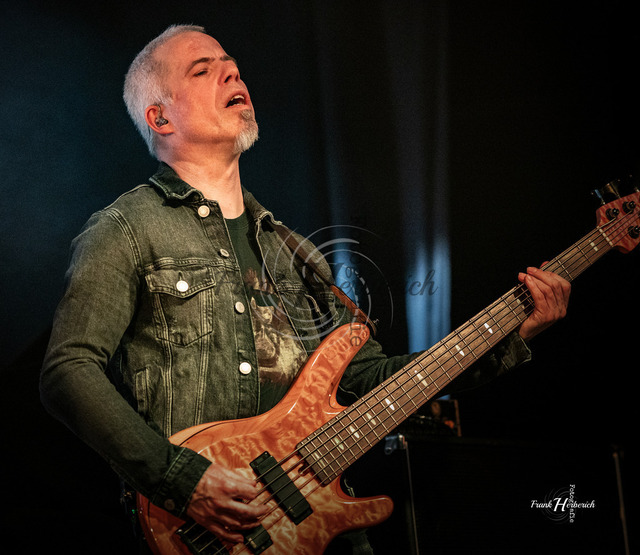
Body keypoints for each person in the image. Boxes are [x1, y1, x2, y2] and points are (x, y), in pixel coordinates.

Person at [40, 24, 571, 553]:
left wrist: (510, 332)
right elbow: (68, 369)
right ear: (160, 117)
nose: (232, 72)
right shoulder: (126, 229)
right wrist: (181, 479)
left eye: (232, 65)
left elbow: (369, 382)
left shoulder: (297, 254)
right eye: (203, 70)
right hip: (202, 534)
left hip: (320, 533)